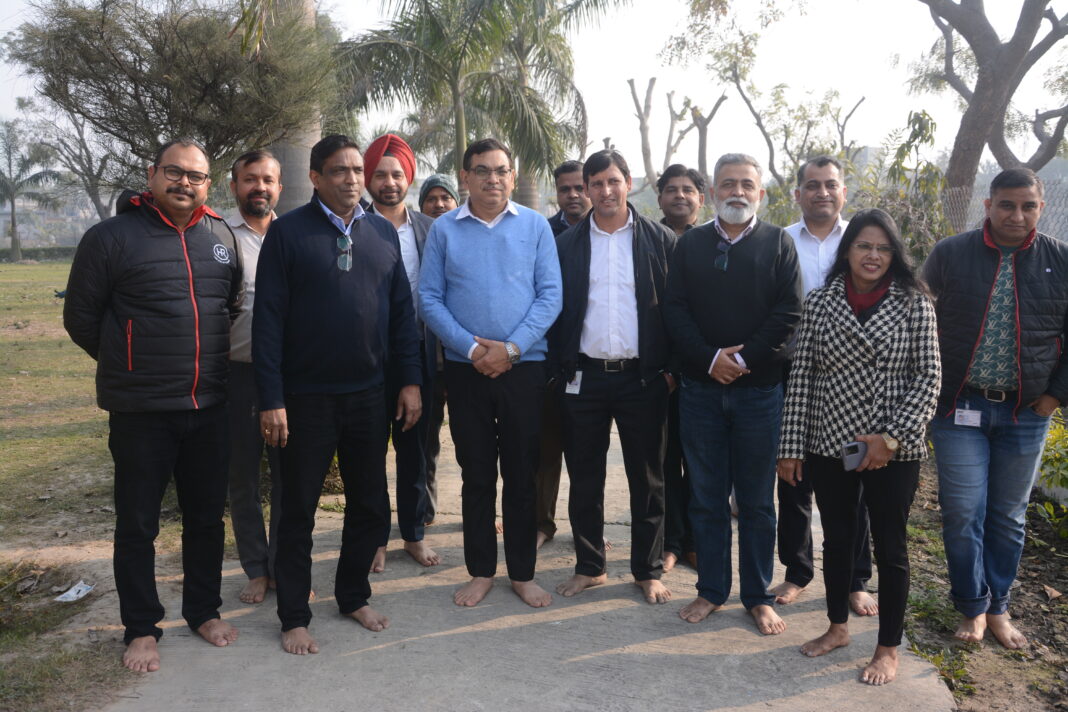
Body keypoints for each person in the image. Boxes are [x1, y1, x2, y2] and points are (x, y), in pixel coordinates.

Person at [64, 138, 243, 672]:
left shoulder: (220, 236)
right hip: (141, 411)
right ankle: (141, 628)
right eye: (174, 172)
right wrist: (130, 362)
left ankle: (203, 611)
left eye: (196, 176)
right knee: (138, 525)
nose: (185, 182)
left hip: (209, 405)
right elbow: (81, 318)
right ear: (152, 174)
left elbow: (229, 306)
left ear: (208, 184)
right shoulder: (110, 238)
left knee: (206, 519)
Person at [253, 134, 423, 655]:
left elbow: (402, 316)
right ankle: (294, 617)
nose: (352, 179)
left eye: (356, 170)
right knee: (298, 510)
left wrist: (410, 381)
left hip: (369, 396)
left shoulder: (381, 233)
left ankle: (352, 596)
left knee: (370, 506)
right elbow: (268, 322)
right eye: (339, 170)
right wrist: (272, 398)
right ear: (315, 177)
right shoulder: (288, 233)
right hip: (305, 399)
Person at [778, 208, 941, 686]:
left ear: (895, 255)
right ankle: (837, 627)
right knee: (839, 538)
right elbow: (802, 376)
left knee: (890, 547)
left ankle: (887, 648)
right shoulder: (821, 301)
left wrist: (890, 438)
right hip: (831, 442)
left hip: (894, 449)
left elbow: (929, 377)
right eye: (864, 246)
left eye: (883, 248)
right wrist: (791, 447)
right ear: (847, 250)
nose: (873, 255)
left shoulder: (914, 303)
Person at [924, 167, 1068, 649]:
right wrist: (931, 389)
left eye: (1028, 206)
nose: (1017, 215)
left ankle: (999, 606)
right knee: (963, 511)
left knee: (1008, 516)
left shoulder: (1061, 260)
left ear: (1041, 208)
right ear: (989, 206)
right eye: (1007, 205)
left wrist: (1053, 397)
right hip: (958, 407)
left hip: (1026, 413)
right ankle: (972, 606)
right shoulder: (950, 253)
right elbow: (918, 319)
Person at [419, 137, 562, 608]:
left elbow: (550, 296)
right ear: (465, 177)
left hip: (525, 369)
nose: (493, 179)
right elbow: (429, 298)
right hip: (467, 372)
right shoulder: (445, 230)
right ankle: (481, 570)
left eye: (501, 170)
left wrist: (512, 349)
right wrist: (472, 348)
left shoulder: (535, 226)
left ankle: (522, 573)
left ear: (513, 176)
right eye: (482, 170)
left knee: (522, 474)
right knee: (476, 473)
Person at [663, 152, 802, 635]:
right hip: (700, 392)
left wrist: (742, 361)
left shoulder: (779, 243)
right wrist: (709, 360)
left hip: (760, 393)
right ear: (713, 192)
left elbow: (788, 313)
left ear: (760, 193)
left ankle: (758, 596)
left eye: (746, 184)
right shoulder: (691, 245)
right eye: (728, 184)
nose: (737, 192)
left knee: (758, 501)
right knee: (706, 497)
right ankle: (711, 590)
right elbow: (674, 309)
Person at [551, 150, 675, 603]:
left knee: (649, 478)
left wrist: (670, 371)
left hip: (643, 378)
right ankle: (590, 566)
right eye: (596, 183)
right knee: (585, 477)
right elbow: (555, 310)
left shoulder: (660, 240)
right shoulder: (566, 244)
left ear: (629, 182)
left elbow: (677, 309)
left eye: (613, 181)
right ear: (586, 188)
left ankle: (647, 569)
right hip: (582, 377)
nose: (605, 191)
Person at [771, 156, 878, 617]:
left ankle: (855, 578)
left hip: (850, 379)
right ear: (798, 194)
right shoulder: (779, 241)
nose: (822, 192)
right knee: (792, 477)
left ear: (843, 192)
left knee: (855, 477)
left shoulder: (862, 242)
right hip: (790, 372)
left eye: (830, 185)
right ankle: (797, 571)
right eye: (812, 185)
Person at [363, 133, 439, 571]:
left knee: (416, 450)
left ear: (409, 177)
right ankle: (374, 537)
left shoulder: (431, 229)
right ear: (368, 179)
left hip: (421, 356)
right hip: (368, 358)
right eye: (380, 174)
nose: (389, 182)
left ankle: (413, 534)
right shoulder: (354, 225)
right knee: (369, 452)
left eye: (397, 174)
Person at [225, 149, 285, 606]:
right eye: (250, 179)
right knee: (242, 475)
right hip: (237, 374)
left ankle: (283, 566)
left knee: (289, 476)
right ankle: (256, 568)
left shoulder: (295, 234)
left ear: (279, 187)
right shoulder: (219, 236)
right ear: (234, 186)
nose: (259, 187)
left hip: (288, 377)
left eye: (267, 180)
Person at [537, 160, 594, 548]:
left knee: (586, 454)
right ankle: (542, 524)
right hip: (549, 360)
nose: (573, 195)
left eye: (579, 188)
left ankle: (587, 529)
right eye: (564, 189)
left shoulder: (609, 232)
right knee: (545, 449)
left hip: (593, 362)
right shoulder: (543, 233)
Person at [655, 163, 705, 572]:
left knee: (702, 462)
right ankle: (670, 541)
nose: (680, 196)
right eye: (671, 189)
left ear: (700, 199)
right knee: (667, 460)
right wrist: (668, 368)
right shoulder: (646, 240)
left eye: (687, 189)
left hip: (706, 370)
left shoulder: (715, 242)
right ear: (659, 198)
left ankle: (696, 541)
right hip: (664, 374)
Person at [417, 172, 460, 522]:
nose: (439, 204)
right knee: (425, 441)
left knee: (472, 443)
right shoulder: (415, 243)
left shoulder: (467, 241)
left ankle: (479, 510)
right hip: (427, 362)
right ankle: (423, 509)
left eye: (445, 197)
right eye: (431, 199)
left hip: (465, 361)